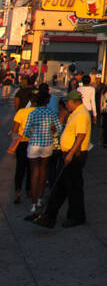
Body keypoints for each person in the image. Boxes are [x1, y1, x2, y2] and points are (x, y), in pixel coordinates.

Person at [36, 90, 93, 229]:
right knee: (62, 185)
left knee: (73, 186)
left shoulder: (81, 114)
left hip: (75, 155)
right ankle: (50, 216)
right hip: (69, 153)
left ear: (74, 101)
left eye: (67, 102)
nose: (66, 104)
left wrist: (70, 153)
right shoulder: (76, 113)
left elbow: (80, 135)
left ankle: (76, 216)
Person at [21, 85, 60, 219]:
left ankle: (32, 202)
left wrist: (33, 134)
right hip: (47, 144)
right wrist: (52, 131)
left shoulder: (32, 113)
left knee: (34, 173)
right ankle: (40, 199)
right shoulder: (51, 113)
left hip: (33, 144)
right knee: (44, 170)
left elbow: (26, 131)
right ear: (47, 101)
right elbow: (59, 129)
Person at [8, 86, 33, 205]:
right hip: (34, 143)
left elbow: (14, 130)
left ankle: (18, 192)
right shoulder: (39, 111)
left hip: (22, 142)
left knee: (20, 168)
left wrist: (14, 144)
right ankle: (28, 190)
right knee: (31, 168)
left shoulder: (21, 112)